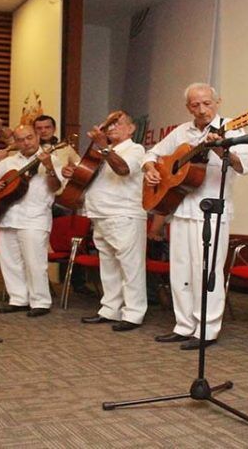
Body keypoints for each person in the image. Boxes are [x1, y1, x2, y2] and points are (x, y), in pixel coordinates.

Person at [143, 82, 248, 350]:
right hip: (181, 209)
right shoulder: (182, 131)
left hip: (213, 210)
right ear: (188, 107)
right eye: (195, 105)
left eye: (207, 103)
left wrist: (218, 147)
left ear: (218, 102)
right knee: (180, 270)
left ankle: (207, 329)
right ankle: (183, 325)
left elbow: (245, 166)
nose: (202, 109)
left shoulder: (232, 126)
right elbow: (152, 153)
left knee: (206, 271)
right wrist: (150, 167)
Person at [68, 111, 147, 331]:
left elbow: (123, 170)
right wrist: (72, 173)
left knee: (131, 267)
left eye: (117, 124)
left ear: (131, 129)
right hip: (99, 214)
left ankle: (133, 313)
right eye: (109, 125)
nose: (111, 128)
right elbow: (89, 179)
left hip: (124, 214)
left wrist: (103, 146)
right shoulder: (103, 152)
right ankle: (110, 309)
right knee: (109, 266)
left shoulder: (135, 149)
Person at [0, 125, 63, 317]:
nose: (26, 142)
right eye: (21, 139)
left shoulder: (52, 159)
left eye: (30, 138)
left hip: (35, 217)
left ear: (37, 137)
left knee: (35, 262)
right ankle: (18, 299)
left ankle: (40, 302)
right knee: (10, 262)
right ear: (15, 142)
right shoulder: (9, 161)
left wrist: (49, 167)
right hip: (8, 216)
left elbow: (56, 187)